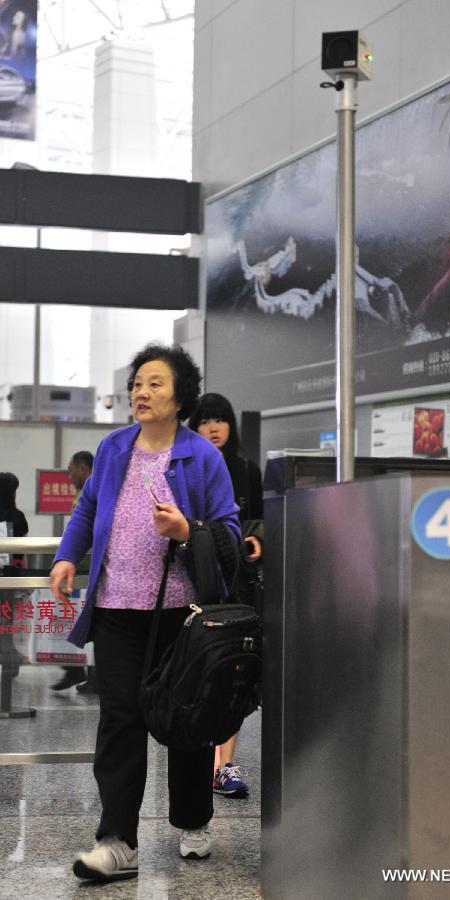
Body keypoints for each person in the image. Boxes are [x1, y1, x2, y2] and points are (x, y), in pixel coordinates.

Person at [49, 344, 240, 884]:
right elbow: (87, 509)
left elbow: (227, 528)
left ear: (180, 395)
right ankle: (117, 841)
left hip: (182, 613)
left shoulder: (202, 457)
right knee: (120, 721)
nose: (141, 391)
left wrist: (185, 531)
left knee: (184, 719)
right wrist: (67, 555)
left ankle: (192, 819)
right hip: (113, 609)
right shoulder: (112, 449)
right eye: (137, 383)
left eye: (155, 383)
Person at [189, 393, 263, 799]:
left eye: (220, 420)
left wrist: (256, 539)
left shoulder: (246, 469)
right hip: (195, 584)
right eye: (205, 420)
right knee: (197, 671)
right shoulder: (189, 467)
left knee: (234, 671)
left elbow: (262, 520)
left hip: (237, 584)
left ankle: (224, 764)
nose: (214, 427)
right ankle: (198, 757)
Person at [50, 451, 96, 693]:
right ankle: (77, 669)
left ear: (83, 469)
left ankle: (86, 673)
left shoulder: (95, 490)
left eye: (71, 470)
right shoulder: (81, 495)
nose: (69, 476)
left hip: (92, 569)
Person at [0, 472, 28, 675]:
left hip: (8, 578)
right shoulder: (18, 517)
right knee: (7, 623)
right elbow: (22, 552)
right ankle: (10, 662)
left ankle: (10, 659)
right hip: (11, 578)